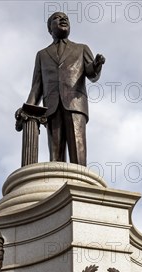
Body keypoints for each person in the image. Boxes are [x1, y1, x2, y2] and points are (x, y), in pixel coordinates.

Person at [20, 11, 105, 166]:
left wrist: (97, 65)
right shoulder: (42, 55)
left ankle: (80, 185)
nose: (63, 19)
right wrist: (27, 108)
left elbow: (91, 74)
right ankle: (58, 187)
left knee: (78, 156)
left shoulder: (81, 49)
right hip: (51, 107)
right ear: (49, 28)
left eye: (66, 18)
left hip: (75, 104)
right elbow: (37, 86)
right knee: (56, 158)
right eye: (57, 18)